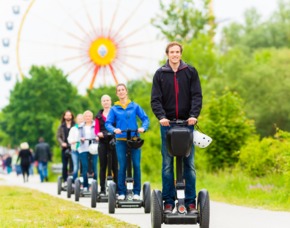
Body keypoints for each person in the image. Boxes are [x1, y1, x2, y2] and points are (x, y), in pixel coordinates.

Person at [150, 41, 202, 214]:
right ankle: (168, 202)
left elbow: (196, 96)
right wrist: (162, 117)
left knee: (190, 164)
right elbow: (155, 99)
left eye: (177, 52)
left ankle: (190, 202)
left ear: (181, 53)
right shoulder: (160, 74)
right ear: (167, 54)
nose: (174, 55)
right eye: (171, 52)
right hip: (167, 125)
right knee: (167, 164)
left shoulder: (190, 72)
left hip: (188, 124)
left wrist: (194, 115)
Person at [105, 83, 149, 201]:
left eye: (122, 89)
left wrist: (143, 128)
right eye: (118, 90)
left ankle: (136, 192)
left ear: (126, 91)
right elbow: (108, 123)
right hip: (121, 140)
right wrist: (114, 129)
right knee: (122, 165)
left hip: (134, 139)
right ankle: (122, 192)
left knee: (136, 165)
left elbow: (145, 118)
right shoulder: (114, 109)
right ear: (117, 93)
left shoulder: (134, 106)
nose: (121, 92)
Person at [95, 94, 118, 196]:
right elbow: (96, 130)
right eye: (104, 101)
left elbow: (118, 125)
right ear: (101, 103)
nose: (106, 102)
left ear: (111, 101)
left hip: (113, 140)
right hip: (103, 142)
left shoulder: (115, 113)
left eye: (107, 100)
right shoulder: (98, 116)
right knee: (103, 165)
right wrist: (98, 134)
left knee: (114, 165)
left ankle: (117, 189)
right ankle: (103, 189)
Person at [78, 110, 99, 192]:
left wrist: (97, 137)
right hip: (84, 148)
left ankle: (94, 185)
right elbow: (79, 136)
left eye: (89, 116)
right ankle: (85, 185)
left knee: (94, 167)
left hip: (93, 148)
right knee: (85, 167)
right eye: (86, 116)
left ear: (92, 117)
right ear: (84, 117)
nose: (88, 117)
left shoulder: (95, 125)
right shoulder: (81, 126)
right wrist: (81, 138)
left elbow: (98, 133)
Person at [57, 110, 75, 184]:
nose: (68, 117)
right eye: (66, 115)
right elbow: (58, 137)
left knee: (73, 164)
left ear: (71, 116)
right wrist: (62, 143)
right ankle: (65, 180)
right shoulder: (61, 126)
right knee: (64, 165)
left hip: (73, 147)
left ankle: (72, 180)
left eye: (69, 115)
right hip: (64, 148)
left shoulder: (75, 125)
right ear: (64, 116)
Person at [67, 113, 84, 183]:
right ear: (76, 120)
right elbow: (69, 138)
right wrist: (72, 141)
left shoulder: (85, 128)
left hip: (83, 150)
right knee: (76, 166)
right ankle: (74, 182)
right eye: (79, 119)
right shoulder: (73, 129)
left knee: (83, 166)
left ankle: (83, 181)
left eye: (81, 119)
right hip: (75, 149)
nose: (80, 120)